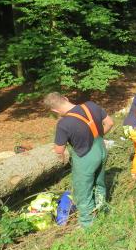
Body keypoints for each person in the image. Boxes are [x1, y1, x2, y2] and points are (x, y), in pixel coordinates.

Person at [44, 92, 114, 228]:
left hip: (85, 158)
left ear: (54, 110)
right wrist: (96, 136)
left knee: (83, 192)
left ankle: (87, 224)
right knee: (99, 184)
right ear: (66, 98)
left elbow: (59, 150)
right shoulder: (90, 105)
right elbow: (110, 123)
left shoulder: (63, 124)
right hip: (101, 149)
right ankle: (102, 211)